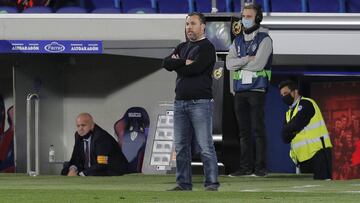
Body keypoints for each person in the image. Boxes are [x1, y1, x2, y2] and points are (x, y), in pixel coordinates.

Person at [162, 12, 220, 191]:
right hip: (180, 103)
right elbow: (165, 63)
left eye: (192, 24)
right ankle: (183, 183)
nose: (189, 27)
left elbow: (195, 69)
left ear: (203, 26)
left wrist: (178, 64)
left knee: (205, 146)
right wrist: (183, 62)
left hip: (200, 103)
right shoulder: (181, 46)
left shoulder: (207, 48)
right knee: (180, 147)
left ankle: (211, 183)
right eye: (187, 24)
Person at [226, 4, 272, 177]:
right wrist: (247, 58)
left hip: (256, 90)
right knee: (243, 132)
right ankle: (245, 168)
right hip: (239, 92)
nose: (245, 19)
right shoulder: (236, 41)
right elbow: (229, 64)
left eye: (249, 16)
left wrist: (240, 62)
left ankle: (260, 168)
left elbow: (258, 64)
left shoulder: (265, 39)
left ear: (257, 18)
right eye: (244, 15)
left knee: (258, 130)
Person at [279, 80, 333, 180]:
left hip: (318, 153)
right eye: (282, 95)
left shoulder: (307, 103)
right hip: (302, 158)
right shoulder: (288, 113)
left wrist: (290, 129)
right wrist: (290, 128)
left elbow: (297, 123)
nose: (284, 97)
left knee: (323, 188)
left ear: (295, 91)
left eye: (286, 93)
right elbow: (284, 137)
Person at [62, 113, 128, 176]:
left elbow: (101, 164)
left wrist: (81, 174)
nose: (80, 129)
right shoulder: (78, 135)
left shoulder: (102, 137)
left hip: (111, 170)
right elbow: (76, 158)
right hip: (91, 170)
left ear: (92, 125)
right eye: (78, 126)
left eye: (83, 125)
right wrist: (73, 169)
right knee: (65, 171)